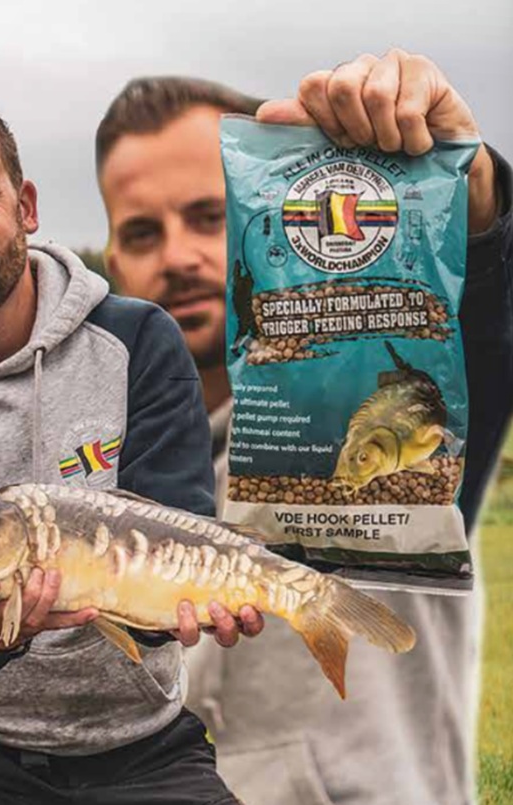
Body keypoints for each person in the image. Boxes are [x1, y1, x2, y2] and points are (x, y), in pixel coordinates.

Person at [96, 50, 512, 805]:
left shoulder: (379, 401)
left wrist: (473, 192)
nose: (179, 256)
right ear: (114, 258)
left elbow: (482, 321)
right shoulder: (98, 462)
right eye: (142, 231)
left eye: (208, 214)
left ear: (269, 214)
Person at [0, 88, 264, 805]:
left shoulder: (139, 342)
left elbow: (178, 527)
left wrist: (185, 608)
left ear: (25, 206)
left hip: (140, 742)